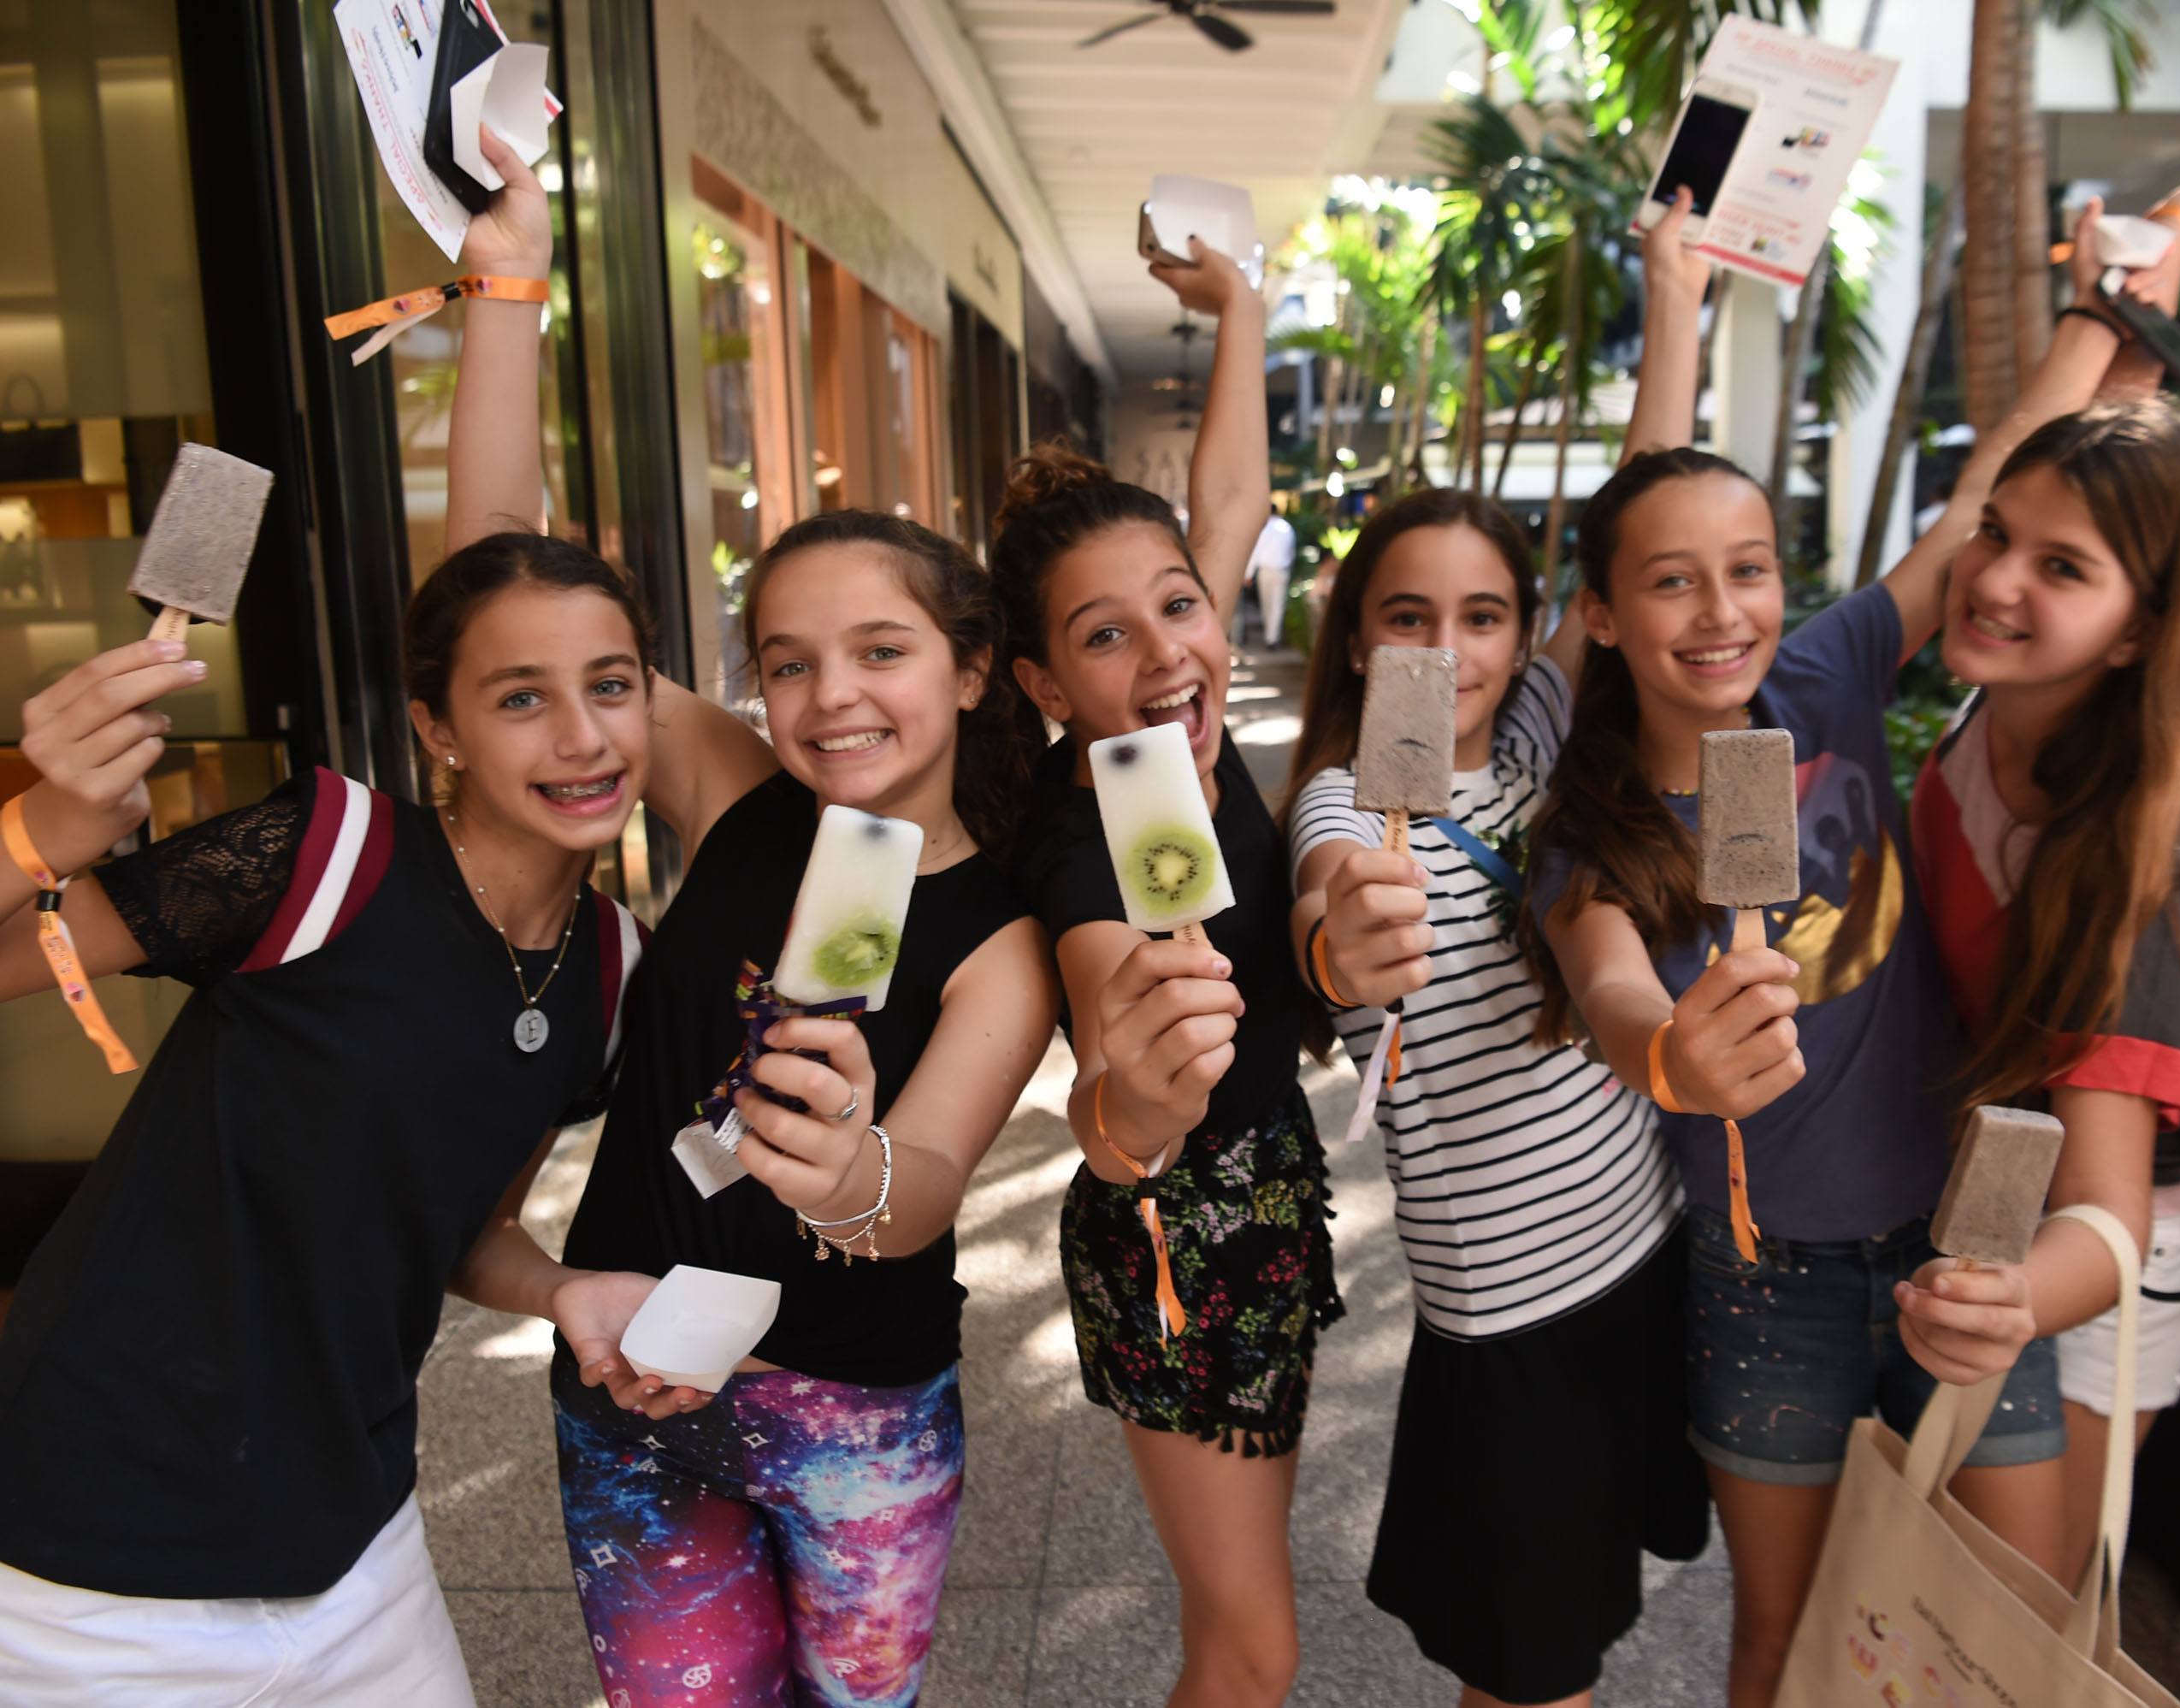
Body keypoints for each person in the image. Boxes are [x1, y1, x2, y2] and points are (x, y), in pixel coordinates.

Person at [1515, 182, 2180, 1708]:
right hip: (1761, 1269)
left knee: (2016, 1625)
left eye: (1752, 567)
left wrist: (2109, 306)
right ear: (1600, 613)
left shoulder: (1827, 676)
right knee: (1793, 1636)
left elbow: (1991, 499)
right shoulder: (1592, 831)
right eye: (1669, 579)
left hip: (1965, 1234)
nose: (1725, 612)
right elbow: (1609, 986)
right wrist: (1675, 1055)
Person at [437, 138, 1058, 1706]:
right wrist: (507, 281)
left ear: (970, 668)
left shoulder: (1002, 934)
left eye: (879, 652)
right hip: (637, 1365)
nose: (829, 695)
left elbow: (915, 1198)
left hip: (856, 1412)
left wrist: (850, 1167)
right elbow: (499, 593)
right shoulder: (733, 791)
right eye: (787, 660)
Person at [0, 535, 655, 1707]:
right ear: (438, 729)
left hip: (354, 1547)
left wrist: (562, 1289)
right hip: (86, 1570)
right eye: (520, 698)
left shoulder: (607, 969)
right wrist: (41, 827)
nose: (583, 737)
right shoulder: (327, 853)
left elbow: (465, 1225)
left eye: (611, 684)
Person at [1282, 488, 1705, 1708]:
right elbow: (1327, 903)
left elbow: (1632, 511)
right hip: (1514, 1322)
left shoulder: (1533, 744)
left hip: (1644, 1254)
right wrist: (1337, 944)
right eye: (1408, 617)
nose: (1448, 651)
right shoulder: (1346, 805)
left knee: (1579, 1623)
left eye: (1482, 616)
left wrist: (1673, 292)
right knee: (1533, 1678)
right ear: (1359, 639)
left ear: (1528, 637)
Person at [994, 239, 1339, 1708]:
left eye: (1180, 608)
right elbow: (1110, 1065)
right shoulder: (1088, 842)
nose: (1164, 652)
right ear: (1041, 688)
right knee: (1250, 1647)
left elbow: (1232, 507)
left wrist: (1245, 309)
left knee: (1246, 1629)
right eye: (1102, 636)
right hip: (1176, 1245)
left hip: (1269, 1200)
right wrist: (1134, 1084)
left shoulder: (1198, 744)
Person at [1911, 399, 2180, 1587]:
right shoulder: (1988, 717)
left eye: (2064, 567)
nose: (1994, 578)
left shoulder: (2148, 857)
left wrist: (2011, 1300)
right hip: (1992, 1206)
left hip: (2109, 1254)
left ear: (2140, 629)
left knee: (2014, 1612)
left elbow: (2108, 1209)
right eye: (1995, 531)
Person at [1245, 505, 1299, 652]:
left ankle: (1270, 637)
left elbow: (1255, 552)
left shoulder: (1264, 529)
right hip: (1281, 571)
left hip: (1266, 571)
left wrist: (1248, 574)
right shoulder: (1287, 528)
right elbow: (1291, 552)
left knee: (1267, 603)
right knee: (1277, 605)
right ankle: (1272, 637)